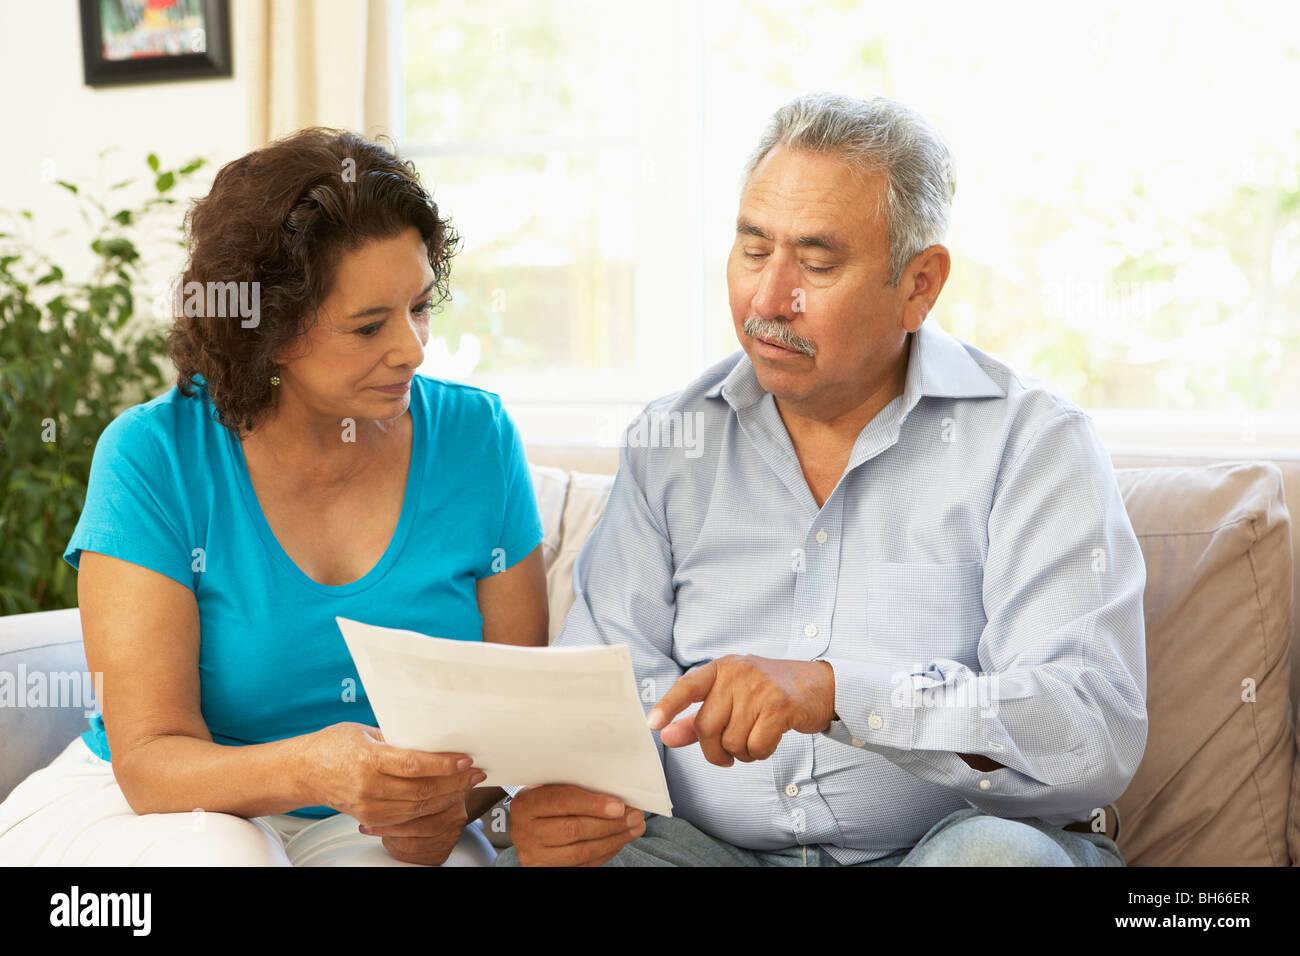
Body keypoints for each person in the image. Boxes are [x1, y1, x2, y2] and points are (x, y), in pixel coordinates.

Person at [497, 93, 1147, 867]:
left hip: (946, 851)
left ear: (919, 284)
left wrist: (841, 694)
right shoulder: (673, 442)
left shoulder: (1032, 443)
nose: (768, 301)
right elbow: (593, 696)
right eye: (751, 249)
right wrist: (543, 810)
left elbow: (1089, 728)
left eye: (816, 262)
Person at [0, 128, 548, 866]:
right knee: (225, 857)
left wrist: (446, 804)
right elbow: (150, 758)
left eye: (420, 306)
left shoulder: (477, 438)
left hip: (374, 825)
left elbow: (513, 715)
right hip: (154, 806)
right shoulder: (153, 456)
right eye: (368, 326)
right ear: (269, 330)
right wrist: (313, 767)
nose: (415, 348)